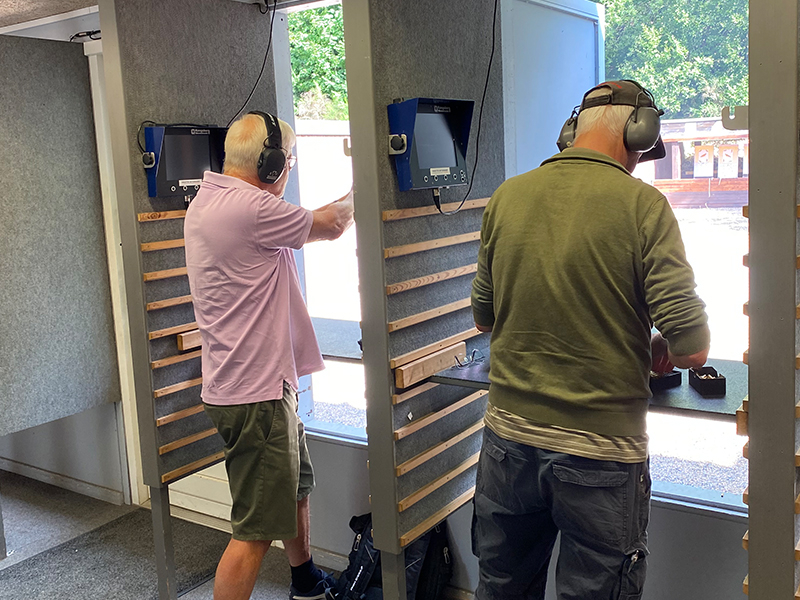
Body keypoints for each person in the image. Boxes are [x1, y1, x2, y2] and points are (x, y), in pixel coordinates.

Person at [470, 80, 710, 600]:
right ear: (638, 132)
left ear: (572, 130)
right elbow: (692, 348)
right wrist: (657, 343)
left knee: (502, 588)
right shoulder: (644, 206)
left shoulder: (507, 196)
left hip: (508, 445)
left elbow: (484, 318)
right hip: (600, 454)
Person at [184, 111, 354, 600]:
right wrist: (363, 183)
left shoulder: (209, 200)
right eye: (290, 161)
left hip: (256, 385)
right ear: (272, 164)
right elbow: (332, 224)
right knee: (254, 531)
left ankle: (305, 581)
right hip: (256, 394)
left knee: (294, 487)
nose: (290, 171)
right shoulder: (251, 209)